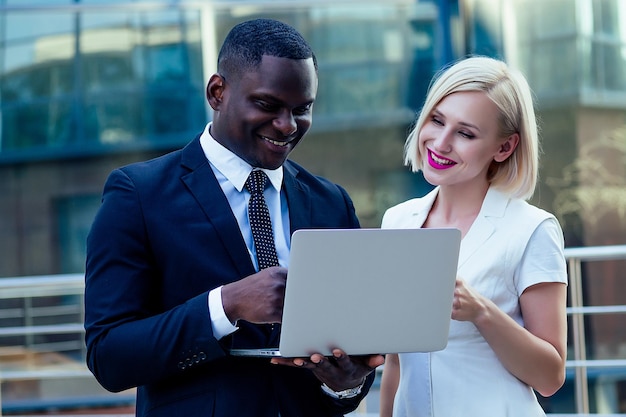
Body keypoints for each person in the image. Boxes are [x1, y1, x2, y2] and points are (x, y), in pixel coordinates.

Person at [84, 18, 383, 417]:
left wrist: (347, 384)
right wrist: (226, 306)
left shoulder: (332, 203)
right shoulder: (138, 195)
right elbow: (109, 356)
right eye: (267, 104)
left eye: (302, 109)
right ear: (217, 92)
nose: (287, 125)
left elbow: (348, 359)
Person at [378, 56, 568, 416]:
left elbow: (550, 375)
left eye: (465, 133)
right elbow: (398, 363)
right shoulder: (398, 220)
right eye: (437, 120)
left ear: (504, 147)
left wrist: (481, 311)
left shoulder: (532, 230)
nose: (441, 142)